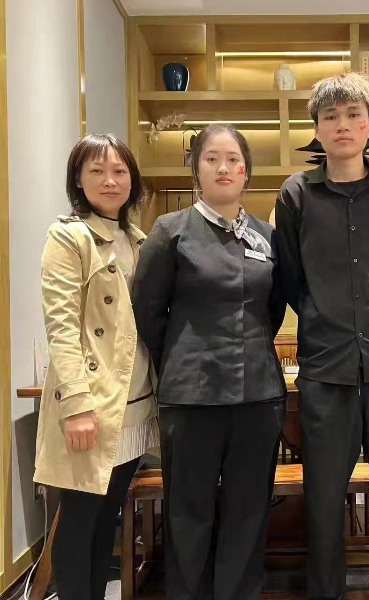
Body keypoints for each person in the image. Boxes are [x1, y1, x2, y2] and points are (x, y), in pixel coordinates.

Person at [275, 72, 369, 600]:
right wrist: (323, 315)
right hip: (325, 373)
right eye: (330, 116)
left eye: (353, 115)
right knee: (322, 501)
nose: (342, 125)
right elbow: (289, 278)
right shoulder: (296, 193)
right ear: (316, 128)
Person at [132, 124, 287, 600]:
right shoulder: (170, 230)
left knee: (248, 511)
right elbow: (148, 312)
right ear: (196, 169)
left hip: (259, 395)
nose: (224, 167)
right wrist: (184, 358)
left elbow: (273, 309)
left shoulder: (266, 236)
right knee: (189, 512)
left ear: (246, 172)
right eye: (212, 158)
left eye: (234, 160)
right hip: (192, 396)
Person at [33, 134, 159, 600]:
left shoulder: (139, 240)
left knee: (109, 520)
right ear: (78, 180)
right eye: (97, 171)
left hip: (134, 403)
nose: (110, 180)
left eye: (119, 171)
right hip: (92, 405)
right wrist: (76, 405)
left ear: (133, 180)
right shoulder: (69, 237)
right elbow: (61, 327)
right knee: (80, 520)